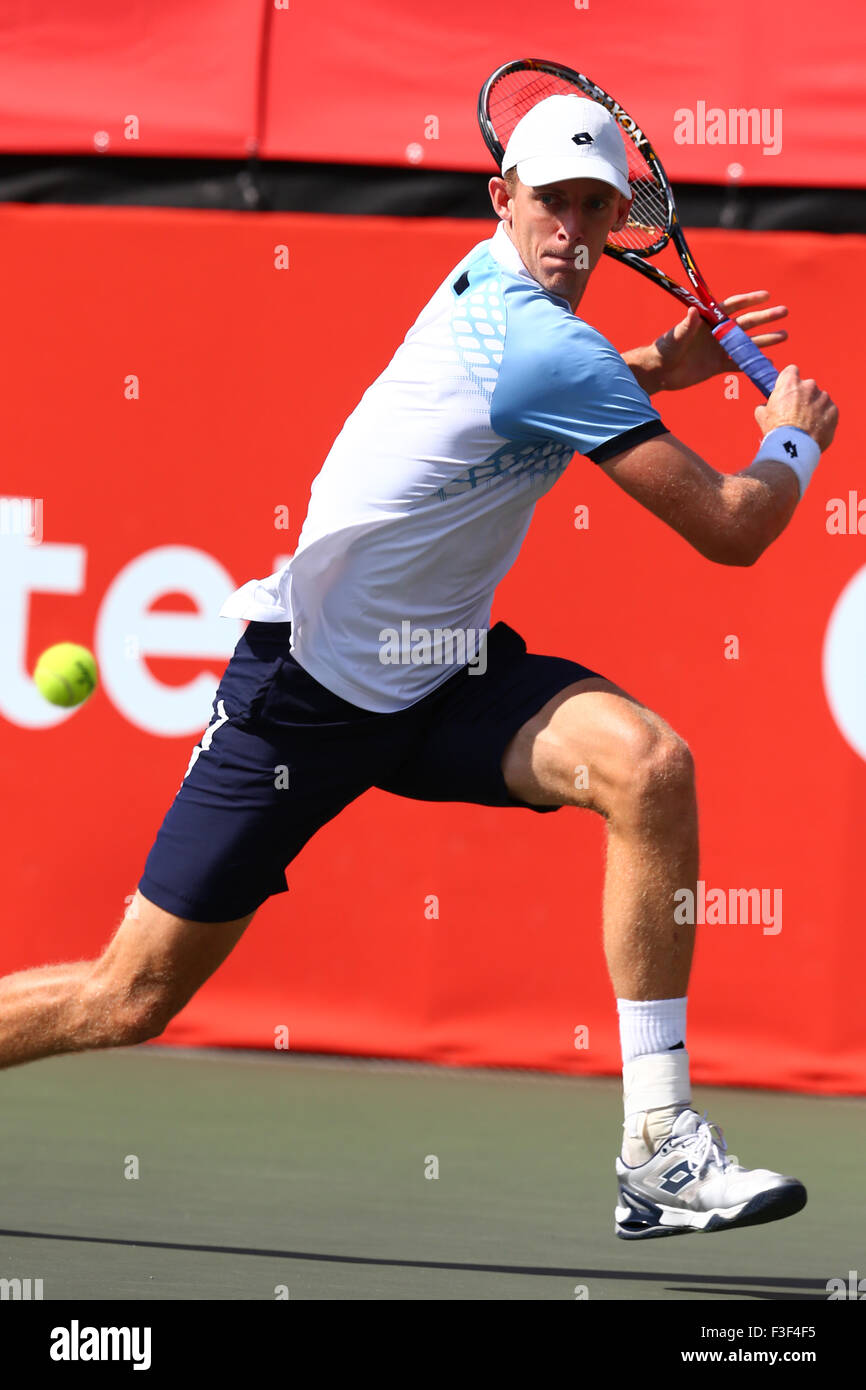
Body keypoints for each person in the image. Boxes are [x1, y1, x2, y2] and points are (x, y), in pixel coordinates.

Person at [6, 96, 837, 1239]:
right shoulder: (543, 341)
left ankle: (657, 1144)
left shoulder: (518, 317)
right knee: (128, 996)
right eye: (551, 201)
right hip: (302, 697)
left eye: (596, 207)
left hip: (441, 676)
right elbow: (733, 528)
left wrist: (650, 363)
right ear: (502, 199)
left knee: (647, 768)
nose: (575, 229)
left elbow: (542, 401)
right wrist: (789, 437)